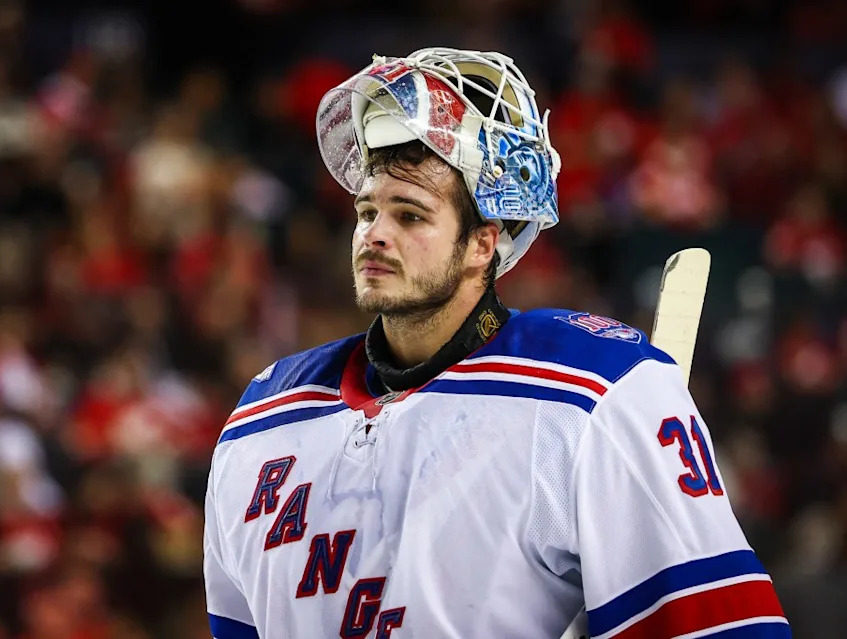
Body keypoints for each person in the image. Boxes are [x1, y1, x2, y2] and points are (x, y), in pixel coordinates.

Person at [202, 47, 790, 638]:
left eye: (409, 216)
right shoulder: (263, 415)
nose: (374, 235)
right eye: (366, 211)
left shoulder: (596, 393)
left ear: (484, 243)